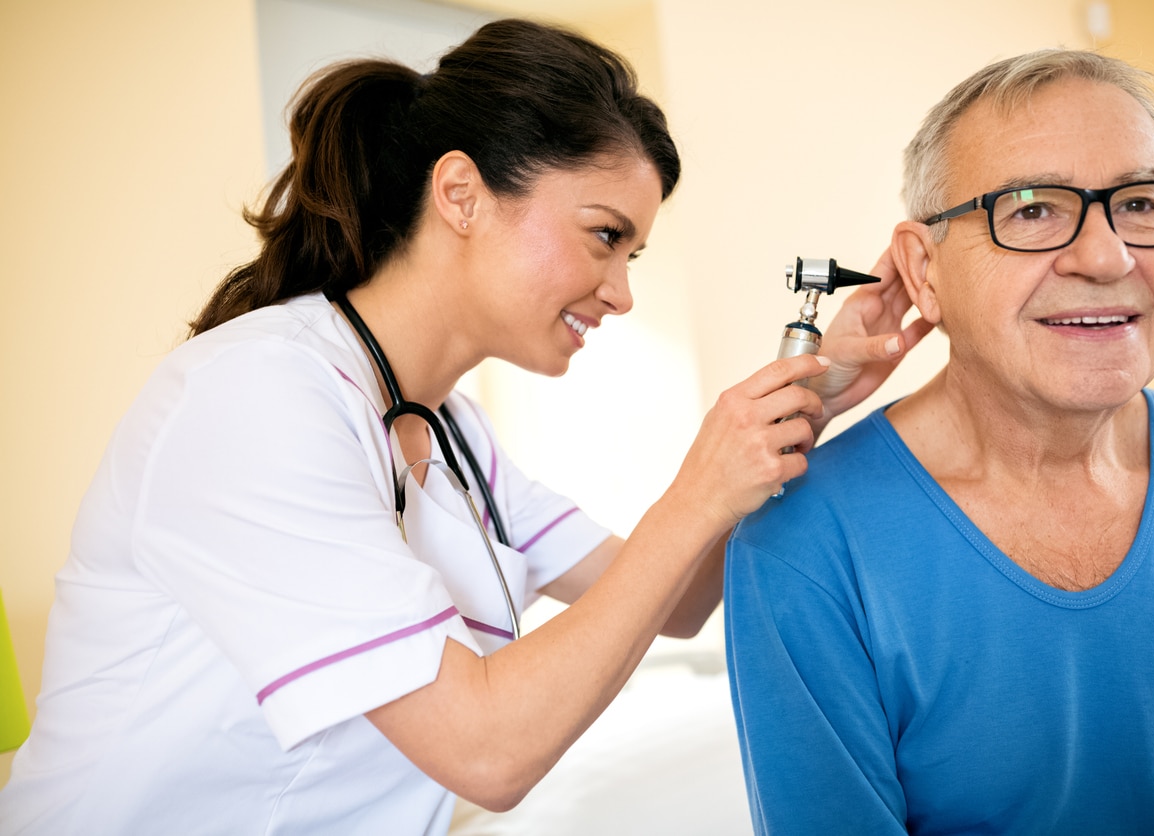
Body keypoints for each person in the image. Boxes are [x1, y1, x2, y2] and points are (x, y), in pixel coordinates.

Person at [0, 18, 924, 836]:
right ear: (461, 195)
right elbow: (489, 753)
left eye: (635, 252)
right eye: (605, 235)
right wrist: (697, 485)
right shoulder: (254, 397)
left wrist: (819, 392)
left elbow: (676, 600)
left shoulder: (451, 434)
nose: (623, 290)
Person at [725, 48, 1154, 834]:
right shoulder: (804, 549)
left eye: (1141, 203)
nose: (1107, 257)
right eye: (1032, 209)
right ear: (923, 270)